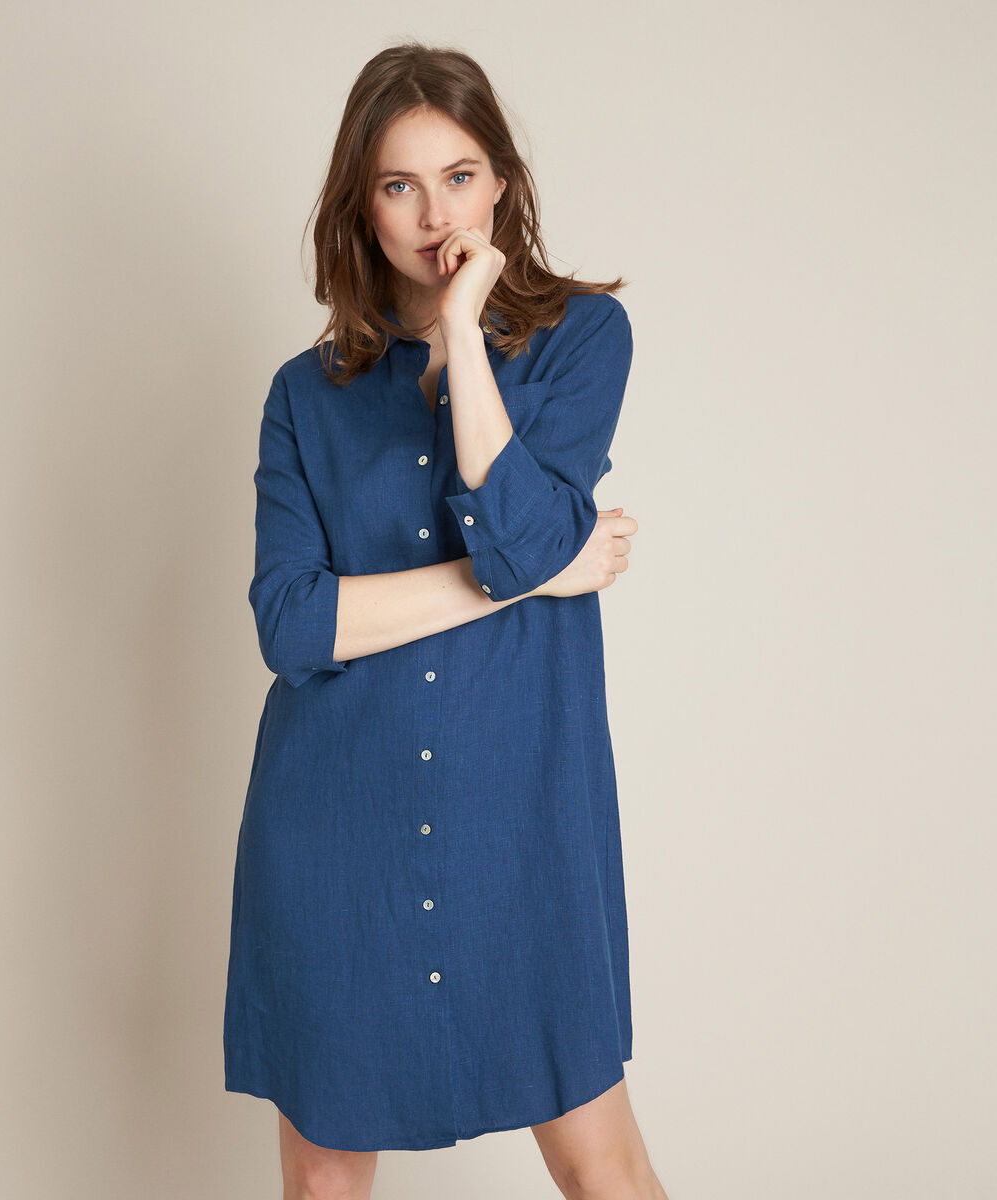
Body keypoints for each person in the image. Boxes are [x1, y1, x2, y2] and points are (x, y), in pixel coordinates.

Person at [223, 42, 669, 1200]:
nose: (436, 216)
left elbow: (517, 531)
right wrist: (529, 577)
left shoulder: (582, 340)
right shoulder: (302, 395)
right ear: (359, 206)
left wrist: (465, 331)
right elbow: (292, 626)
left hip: (521, 822)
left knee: (604, 1167)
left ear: (501, 183)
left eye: (460, 177)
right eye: (399, 185)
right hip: (335, 831)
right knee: (323, 1182)